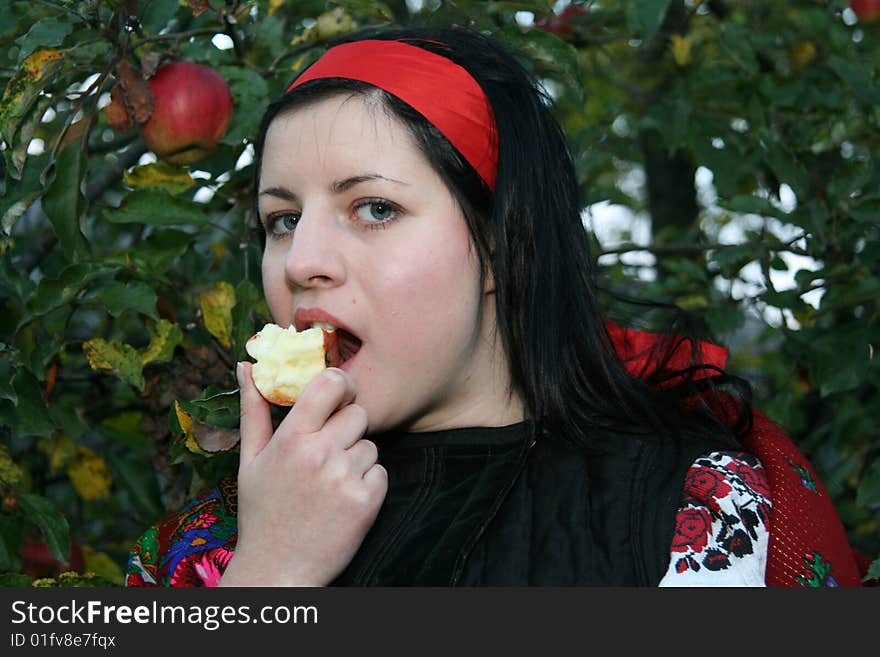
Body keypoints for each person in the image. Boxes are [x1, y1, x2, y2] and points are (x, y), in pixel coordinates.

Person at [124, 25, 856, 587]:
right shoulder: (218, 537)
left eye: (373, 207)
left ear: (501, 244)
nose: (303, 261)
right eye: (282, 219)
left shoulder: (682, 503)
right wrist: (270, 573)